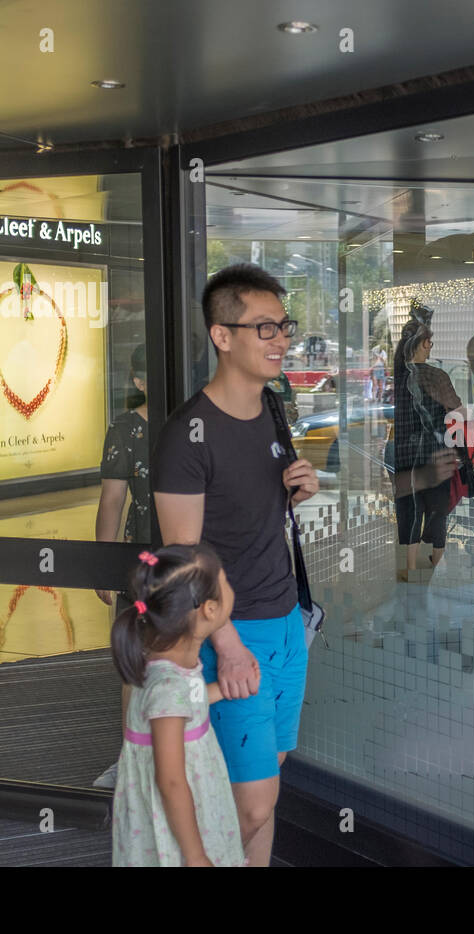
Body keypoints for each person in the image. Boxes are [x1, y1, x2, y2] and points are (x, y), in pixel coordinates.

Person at [152, 263, 318, 867]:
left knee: (262, 790)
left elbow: (259, 504)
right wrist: (228, 643)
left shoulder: (274, 410)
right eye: (264, 327)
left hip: (285, 623)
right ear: (222, 336)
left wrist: (299, 486)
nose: (281, 339)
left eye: (284, 325)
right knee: (250, 804)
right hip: (235, 633)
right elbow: (185, 557)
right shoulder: (186, 437)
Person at [110, 544, 247, 867]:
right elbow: (170, 780)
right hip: (176, 829)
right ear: (210, 609)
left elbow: (190, 702)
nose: (231, 589)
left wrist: (223, 690)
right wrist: (196, 855)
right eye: (225, 583)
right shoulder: (167, 688)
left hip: (195, 804)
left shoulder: (169, 664)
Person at [92, 344, 152, 789]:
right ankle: (131, 758)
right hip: (139, 559)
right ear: (138, 382)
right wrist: (104, 565)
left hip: (189, 557)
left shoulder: (192, 425)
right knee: (135, 662)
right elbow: (111, 501)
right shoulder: (126, 430)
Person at [392, 310, 461, 583]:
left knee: (410, 507)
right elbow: (455, 409)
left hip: (404, 453)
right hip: (436, 452)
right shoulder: (436, 376)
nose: (431, 347)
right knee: (437, 508)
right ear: (422, 344)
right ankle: (437, 563)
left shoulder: (397, 375)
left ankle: (409, 567)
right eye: (429, 342)